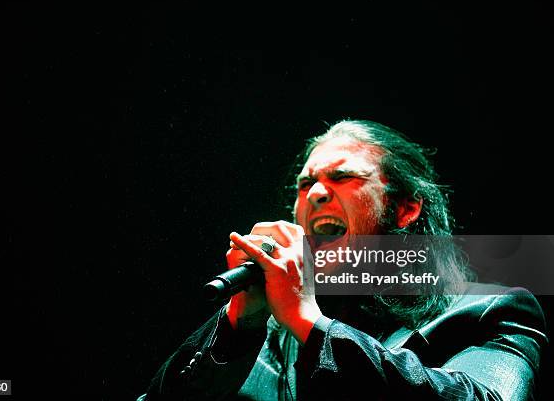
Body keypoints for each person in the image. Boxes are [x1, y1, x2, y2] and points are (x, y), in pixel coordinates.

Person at [138, 120, 547, 400]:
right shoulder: (264, 331)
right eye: (305, 183)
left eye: (342, 177)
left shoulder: (491, 311)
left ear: (405, 209)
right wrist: (237, 326)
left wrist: (312, 325)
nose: (315, 193)